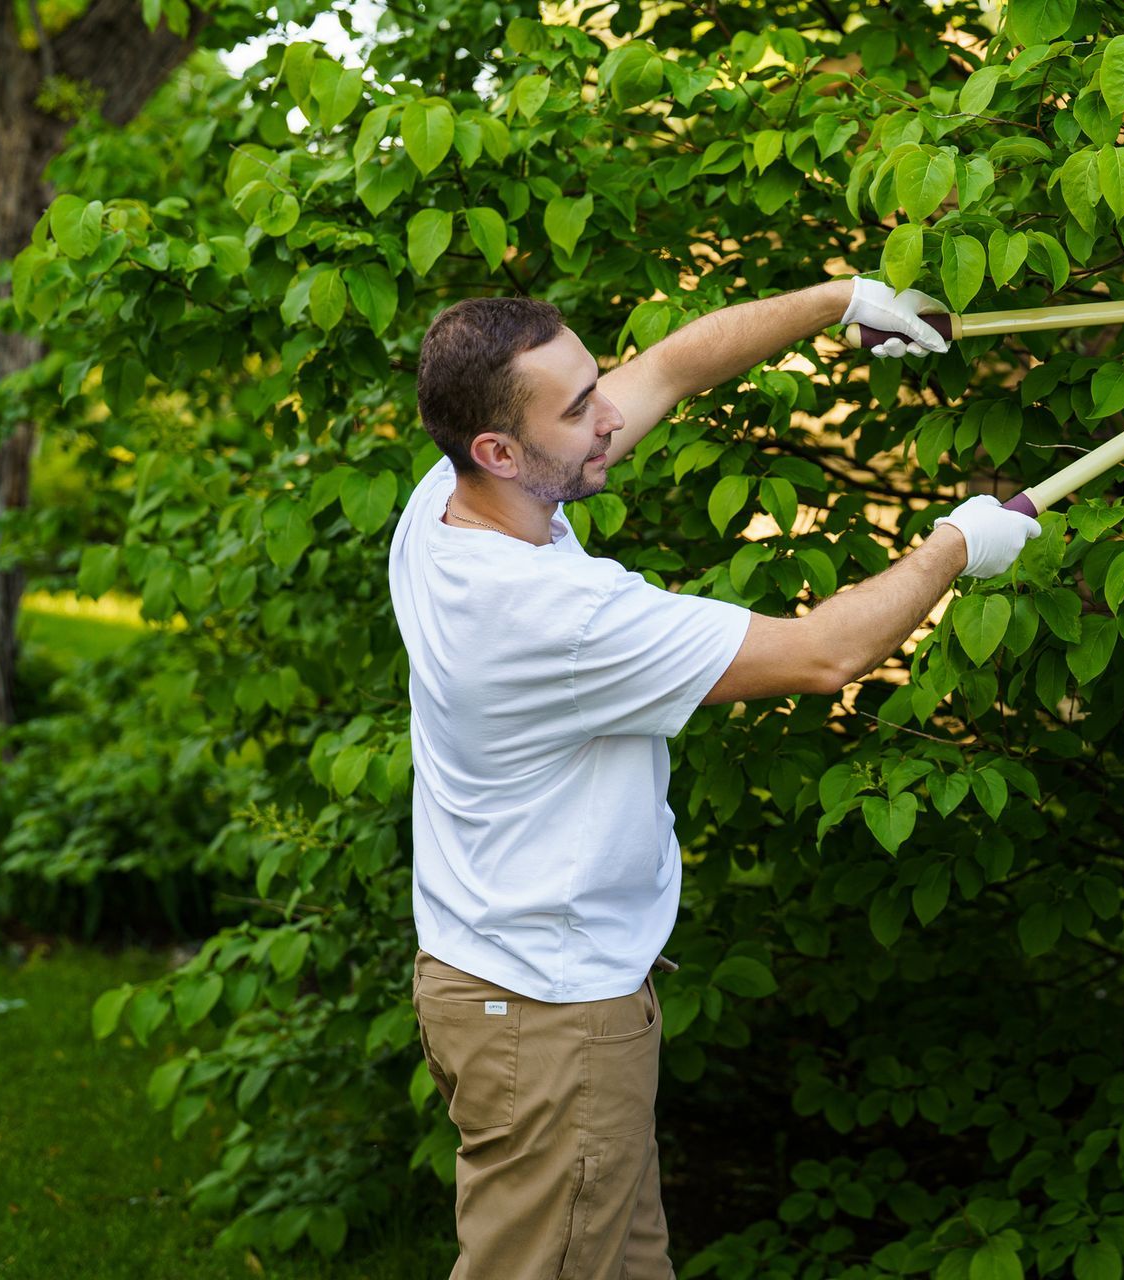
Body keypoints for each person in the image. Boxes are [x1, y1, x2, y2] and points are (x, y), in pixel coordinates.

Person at [387, 275, 1044, 1279]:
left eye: (592, 382)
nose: (611, 415)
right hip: (549, 1019)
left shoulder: (447, 501)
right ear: (499, 450)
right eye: (577, 410)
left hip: (510, 987)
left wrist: (847, 299)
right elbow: (824, 654)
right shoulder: (551, 616)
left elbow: (675, 366)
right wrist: (959, 541)